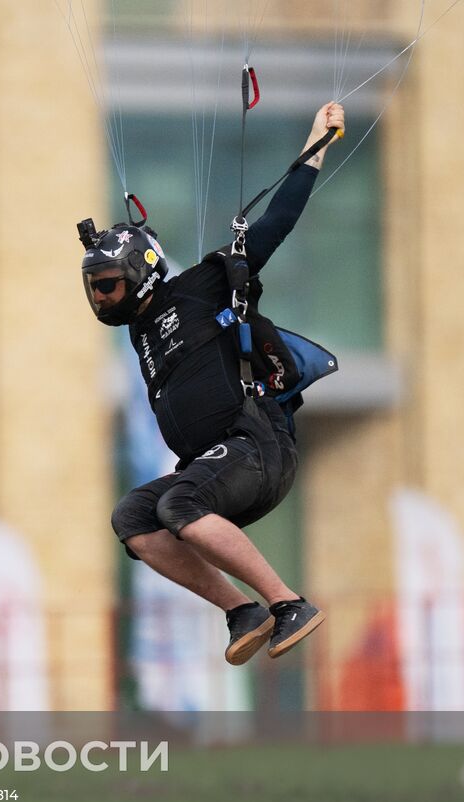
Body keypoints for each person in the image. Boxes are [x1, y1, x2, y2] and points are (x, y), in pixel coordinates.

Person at [83, 102, 345, 666]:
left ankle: (288, 604)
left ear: (141, 272)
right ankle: (242, 612)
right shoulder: (141, 333)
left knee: (180, 500)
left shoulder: (202, 287)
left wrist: (315, 144)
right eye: (94, 288)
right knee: (132, 516)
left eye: (106, 285)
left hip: (257, 447)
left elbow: (274, 226)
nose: (99, 297)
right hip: (217, 464)